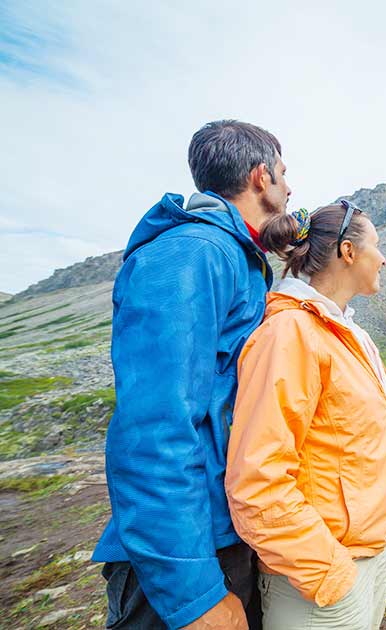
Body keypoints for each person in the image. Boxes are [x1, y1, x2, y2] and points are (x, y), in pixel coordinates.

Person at [92, 120, 291, 629]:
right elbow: (154, 430)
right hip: (189, 552)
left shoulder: (234, 255)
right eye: (285, 174)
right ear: (260, 177)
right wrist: (193, 592)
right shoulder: (194, 253)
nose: (291, 190)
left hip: (222, 534)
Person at [225, 201, 386, 629]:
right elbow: (257, 479)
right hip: (321, 579)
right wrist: (329, 573)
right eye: (376, 246)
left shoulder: (344, 332)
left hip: (368, 556)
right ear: (348, 252)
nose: (383, 258)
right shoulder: (289, 334)